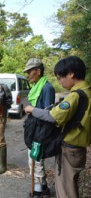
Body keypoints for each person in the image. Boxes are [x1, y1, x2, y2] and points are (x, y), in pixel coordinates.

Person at [25, 56, 91, 198]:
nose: (59, 81)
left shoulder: (74, 96)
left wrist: (32, 110)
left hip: (70, 147)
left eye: (61, 77)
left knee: (65, 189)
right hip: (79, 147)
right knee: (71, 184)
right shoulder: (87, 91)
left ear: (71, 73)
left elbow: (52, 116)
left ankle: (40, 189)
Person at [23, 58, 55, 197]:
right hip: (33, 127)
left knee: (36, 160)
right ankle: (45, 188)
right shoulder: (36, 86)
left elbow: (48, 114)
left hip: (40, 130)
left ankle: (38, 192)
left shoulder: (47, 88)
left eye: (30, 71)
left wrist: (32, 110)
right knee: (32, 159)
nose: (28, 75)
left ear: (38, 71)